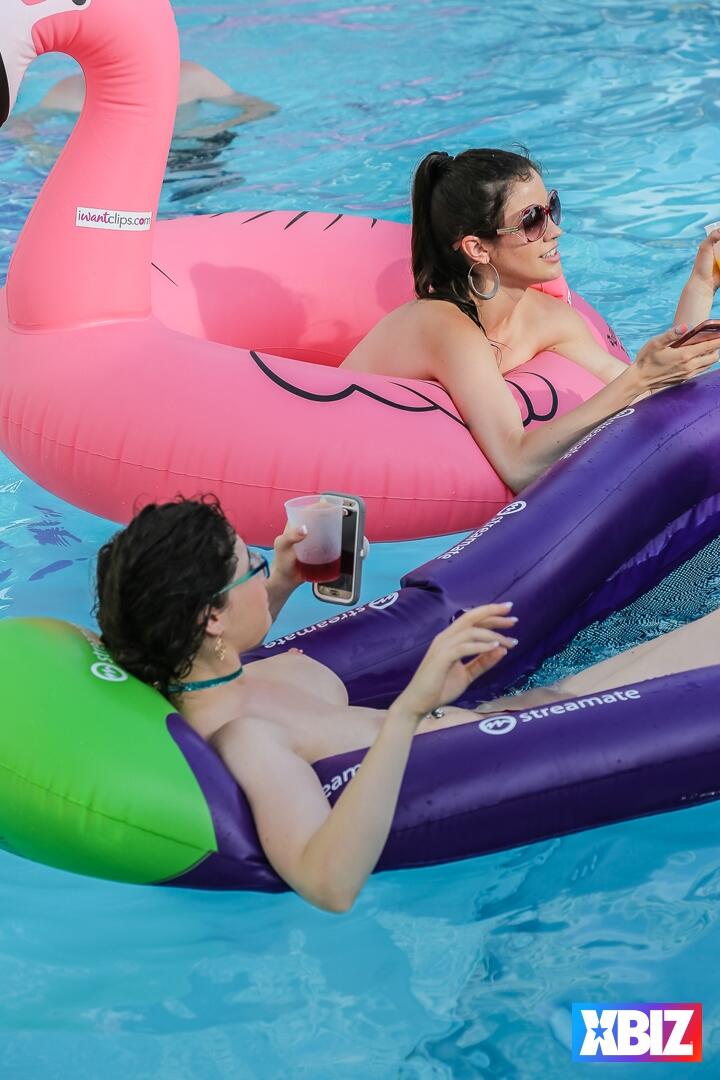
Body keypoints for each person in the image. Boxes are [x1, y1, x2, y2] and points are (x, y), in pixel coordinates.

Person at [95, 496, 720, 913]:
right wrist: (408, 710)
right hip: (543, 746)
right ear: (210, 617)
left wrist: (280, 581)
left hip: (519, 711)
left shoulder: (224, 680)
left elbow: (220, 657)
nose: (264, 568)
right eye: (252, 564)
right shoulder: (247, 739)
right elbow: (328, 884)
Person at [341, 148, 720, 492]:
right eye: (532, 220)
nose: (555, 231)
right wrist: (639, 377)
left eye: (551, 208)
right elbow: (518, 465)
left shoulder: (549, 319)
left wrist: (702, 284)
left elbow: (654, 393)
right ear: (478, 248)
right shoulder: (442, 325)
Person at [3, 60, 278, 196]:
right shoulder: (71, 91)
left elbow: (262, 108)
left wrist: (218, 126)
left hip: (193, 153)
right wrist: (36, 146)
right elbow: (15, 124)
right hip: (115, 166)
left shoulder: (189, 77)